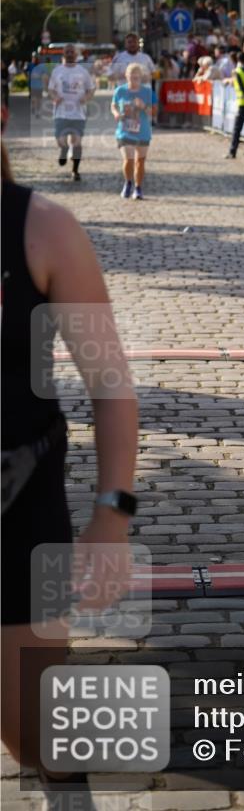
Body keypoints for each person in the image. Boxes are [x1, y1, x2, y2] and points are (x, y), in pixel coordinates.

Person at [1, 142, 137, 807]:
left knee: (35, 741)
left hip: (17, 510)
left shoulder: (43, 228)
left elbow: (110, 386)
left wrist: (111, 515)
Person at [47, 43, 95, 182]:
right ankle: (63, 150)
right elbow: (50, 89)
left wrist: (86, 98)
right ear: (63, 54)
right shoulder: (57, 71)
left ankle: (75, 170)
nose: (69, 54)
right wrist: (55, 97)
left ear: (76, 54)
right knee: (61, 141)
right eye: (67, 52)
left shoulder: (83, 71)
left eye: (72, 52)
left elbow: (91, 89)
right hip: (61, 113)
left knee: (77, 143)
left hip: (78, 113)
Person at [111, 62, 158, 200]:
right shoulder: (120, 91)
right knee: (128, 160)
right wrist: (115, 113)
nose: (134, 81)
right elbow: (113, 105)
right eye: (131, 77)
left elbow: (154, 112)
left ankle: (138, 187)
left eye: (136, 78)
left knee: (140, 162)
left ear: (141, 78)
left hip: (142, 131)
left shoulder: (147, 92)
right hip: (124, 131)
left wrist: (144, 106)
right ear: (126, 76)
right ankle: (128, 182)